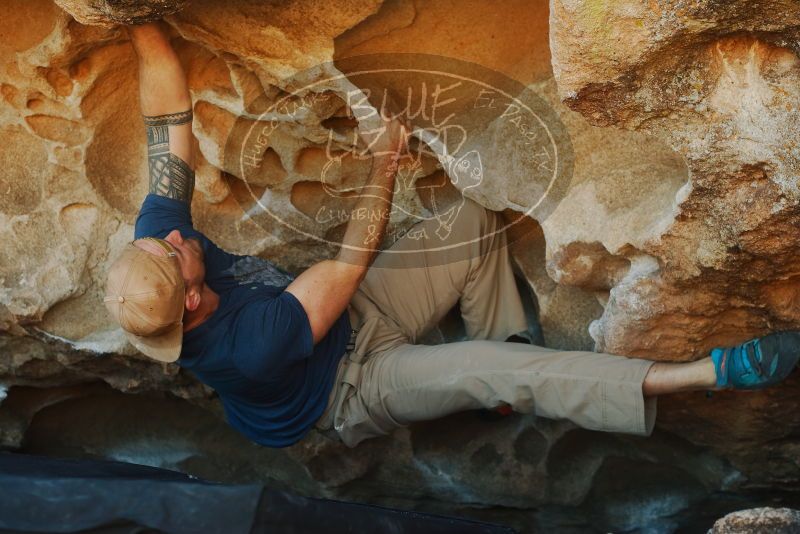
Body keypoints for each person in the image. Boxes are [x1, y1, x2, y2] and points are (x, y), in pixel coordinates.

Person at [104, 22, 800, 449]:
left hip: (348, 318)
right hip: (350, 387)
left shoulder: (156, 250)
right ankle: (707, 374)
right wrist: (384, 158)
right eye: (173, 253)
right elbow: (348, 264)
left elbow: (168, 123)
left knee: (468, 221)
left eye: (159, 241)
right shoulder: (248, 348)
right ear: (190, 302)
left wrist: (139, 23)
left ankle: (504, 355)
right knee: (495, 371)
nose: (172, 238)